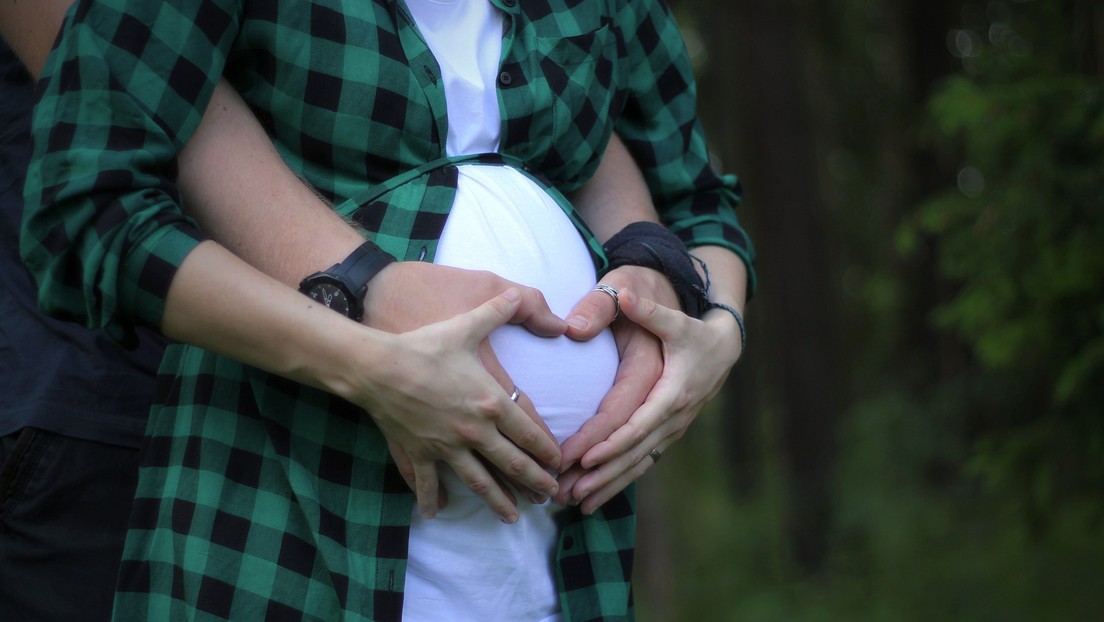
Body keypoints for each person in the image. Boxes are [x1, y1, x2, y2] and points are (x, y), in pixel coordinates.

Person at [23, 1, 755, 620]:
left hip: (558, 562)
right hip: (280, 529)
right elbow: (90, 203)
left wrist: (711, 327)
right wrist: (367, 362)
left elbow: (696, 202)